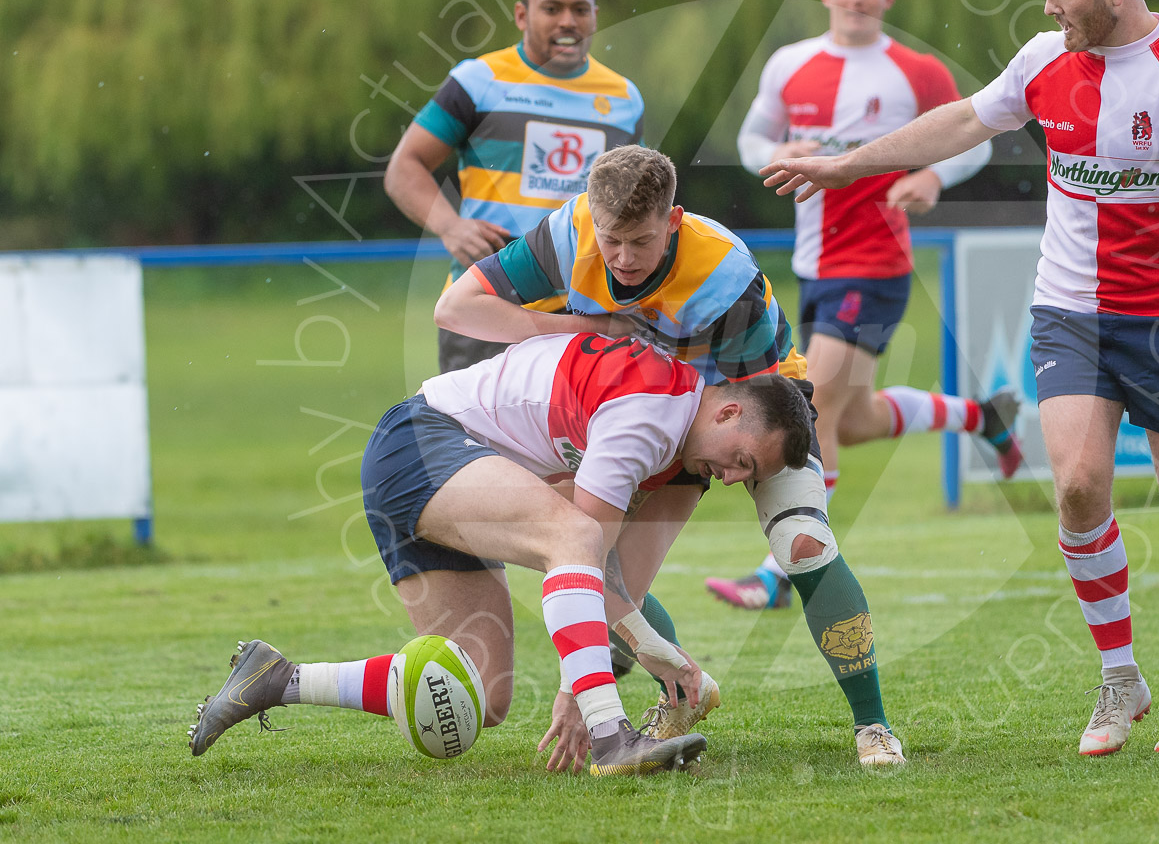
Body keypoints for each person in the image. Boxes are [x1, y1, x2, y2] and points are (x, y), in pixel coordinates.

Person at [762, 0, 1159, 755]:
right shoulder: (1044, 59)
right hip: (1068, 313)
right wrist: (846, 164)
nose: (1049, 8)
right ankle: (1120, 681)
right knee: (1080, 487)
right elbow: (960, 122)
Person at [435, 144, 906, 766]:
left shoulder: (723, 278)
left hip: (751, 402)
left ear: (674, 221)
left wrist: (577, 683)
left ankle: (873, 726)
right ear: (589, 217)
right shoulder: (568, 233)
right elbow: (456, 307)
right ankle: (682, 690)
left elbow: (739, 413)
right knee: (602, 568)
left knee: (800, 540)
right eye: (612, 241)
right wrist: (579, 331)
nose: (624, 259)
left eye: (642, 241)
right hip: (652, 409)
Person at [189, 331, 812, 776]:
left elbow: (613, 588)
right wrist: (583, 695)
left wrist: (670, 664)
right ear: (729, 410)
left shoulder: (677, 439)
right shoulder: (651, 414)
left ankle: (276, 681)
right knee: (574, 538)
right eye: (742, 460)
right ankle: (610, 738)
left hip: (431, 463)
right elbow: (581, 554)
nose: (733, 477)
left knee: (480, 696)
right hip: (423, 443)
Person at [707, 0, 1021, 612]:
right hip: (814, 263)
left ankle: (773, 574)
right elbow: (753, 139)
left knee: (808, 408)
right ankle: (982, 416)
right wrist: (779, 147)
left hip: (876, 264)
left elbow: (976, 141)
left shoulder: (915, 72)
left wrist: (933, 177)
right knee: (854, 421)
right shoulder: (790, 63)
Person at [383, 0, 645, 373]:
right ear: (522, 15)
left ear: (595, 16)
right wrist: (451, 228)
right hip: (487, 306)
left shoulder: (624, 98)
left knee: (579, 443)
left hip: (585, 313)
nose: (568, 21)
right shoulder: (478, 81)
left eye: (580, 9)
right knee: (480, 442)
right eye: (552, 8)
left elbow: (631, 206)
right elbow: (403, 168)